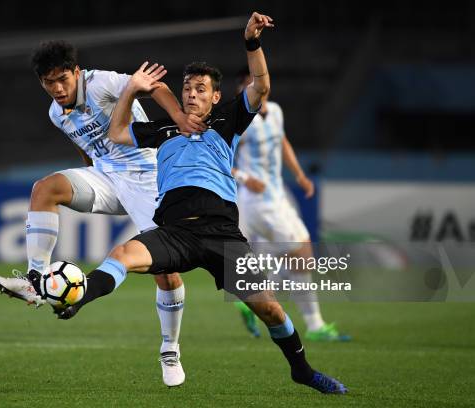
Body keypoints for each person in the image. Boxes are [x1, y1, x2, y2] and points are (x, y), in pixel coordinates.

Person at [53, 12, 347, 393]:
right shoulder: (163, 129)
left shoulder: (227, 122)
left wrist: (252, 43)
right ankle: (75, 300)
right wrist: (130, 91)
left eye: (201, 89)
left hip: (222, 234)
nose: (192, 94)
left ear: (216, 97)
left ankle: (302, 371)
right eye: (188, 88)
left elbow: (261, 86)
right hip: (175, 232)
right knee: (122, 254)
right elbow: (117, 132)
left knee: (271, 310)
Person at [0, 40, 206, 387]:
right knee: (44, 189)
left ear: (76, 72)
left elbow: (157, 86)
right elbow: (85, 147)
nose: (57, 89)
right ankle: (34, 282)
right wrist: (88, 172)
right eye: (48, 83)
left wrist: (179, 118)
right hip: (106, 176)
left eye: (63, 79)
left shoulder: (101, 83)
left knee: (167, 272)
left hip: (147, 176)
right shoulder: (55, 113)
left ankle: (170, 348)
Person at [232, 69, 351, 342]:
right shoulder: (239, 119)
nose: (257, 86)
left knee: (293, 257)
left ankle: (252, 299)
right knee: (302, 252)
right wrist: (245, 177)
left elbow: (282, 141)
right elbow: (219, 155)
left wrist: (298, 174)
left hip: (276, 198)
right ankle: (315, 325)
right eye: (249, 84)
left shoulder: (274, 111)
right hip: (257, 202)